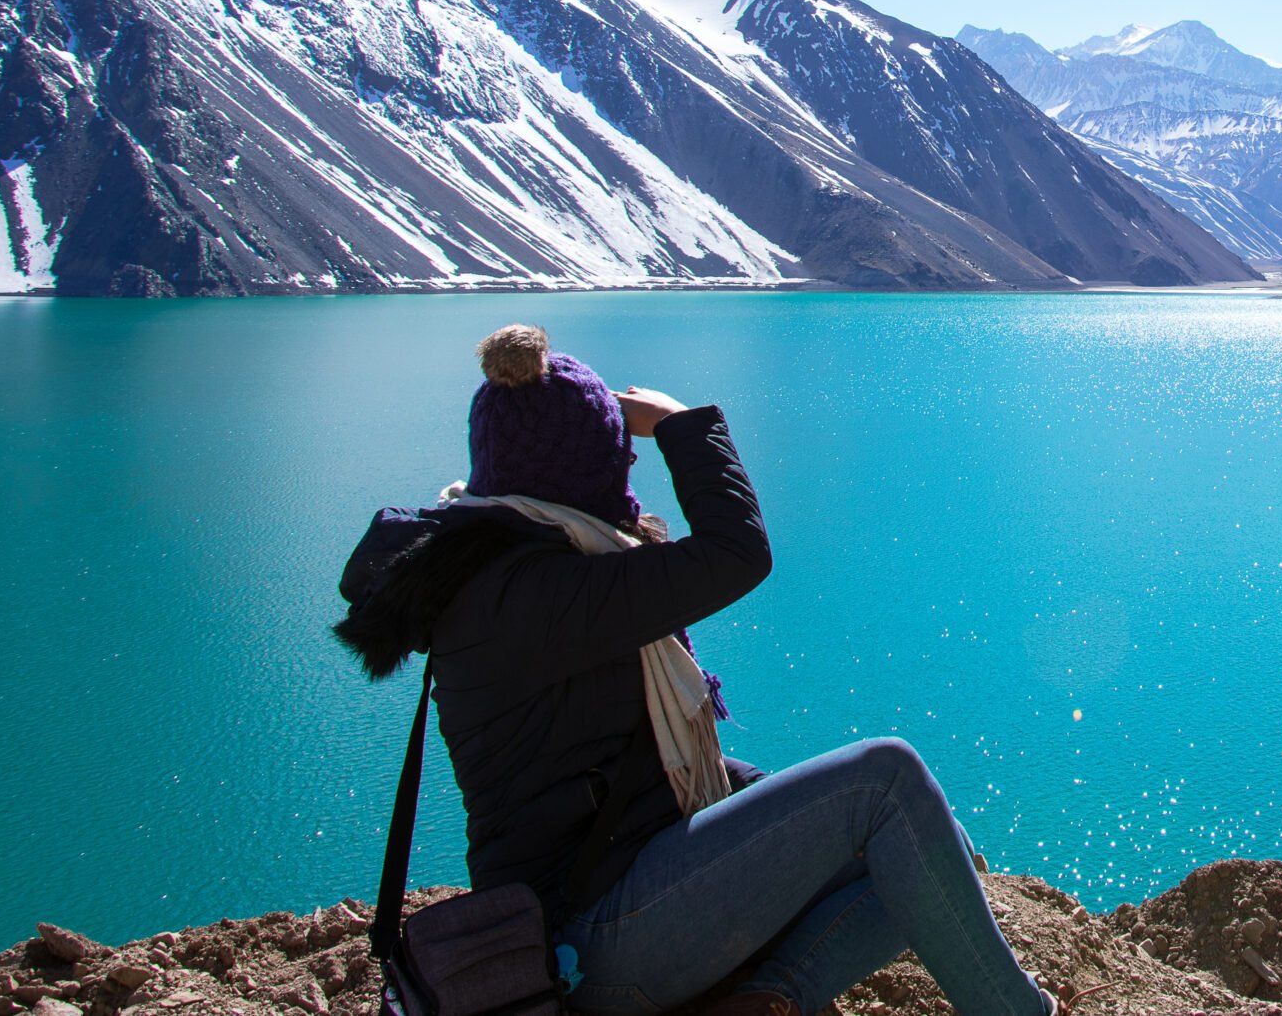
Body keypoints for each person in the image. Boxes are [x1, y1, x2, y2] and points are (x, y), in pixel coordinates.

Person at [334, 324, 1057, 1016]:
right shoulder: (534, 591)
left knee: (932, 846)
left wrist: (779, 814)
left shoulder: (508, 561)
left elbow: (623, 760)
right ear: (582, 474)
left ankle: (770, 998)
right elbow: (738, 552)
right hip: (587, 945)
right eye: (617, 458)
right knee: (886, 780)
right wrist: (684, 424)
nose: (629, 472)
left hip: (620, 891)